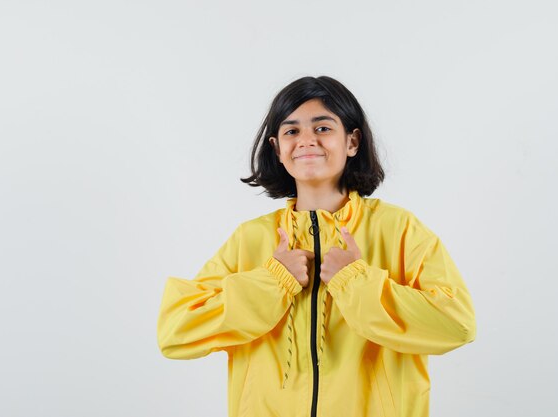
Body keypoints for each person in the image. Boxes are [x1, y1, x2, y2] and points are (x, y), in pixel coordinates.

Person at [157, 75, 476, 417]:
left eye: (323, 128)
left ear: (352, 141)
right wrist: (271, 282)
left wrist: (355, 280)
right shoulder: (250, 239)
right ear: (277, 148)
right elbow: (175, 332)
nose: (306, 140)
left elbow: (457, 323)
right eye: (291, 131)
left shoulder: (398, 229)